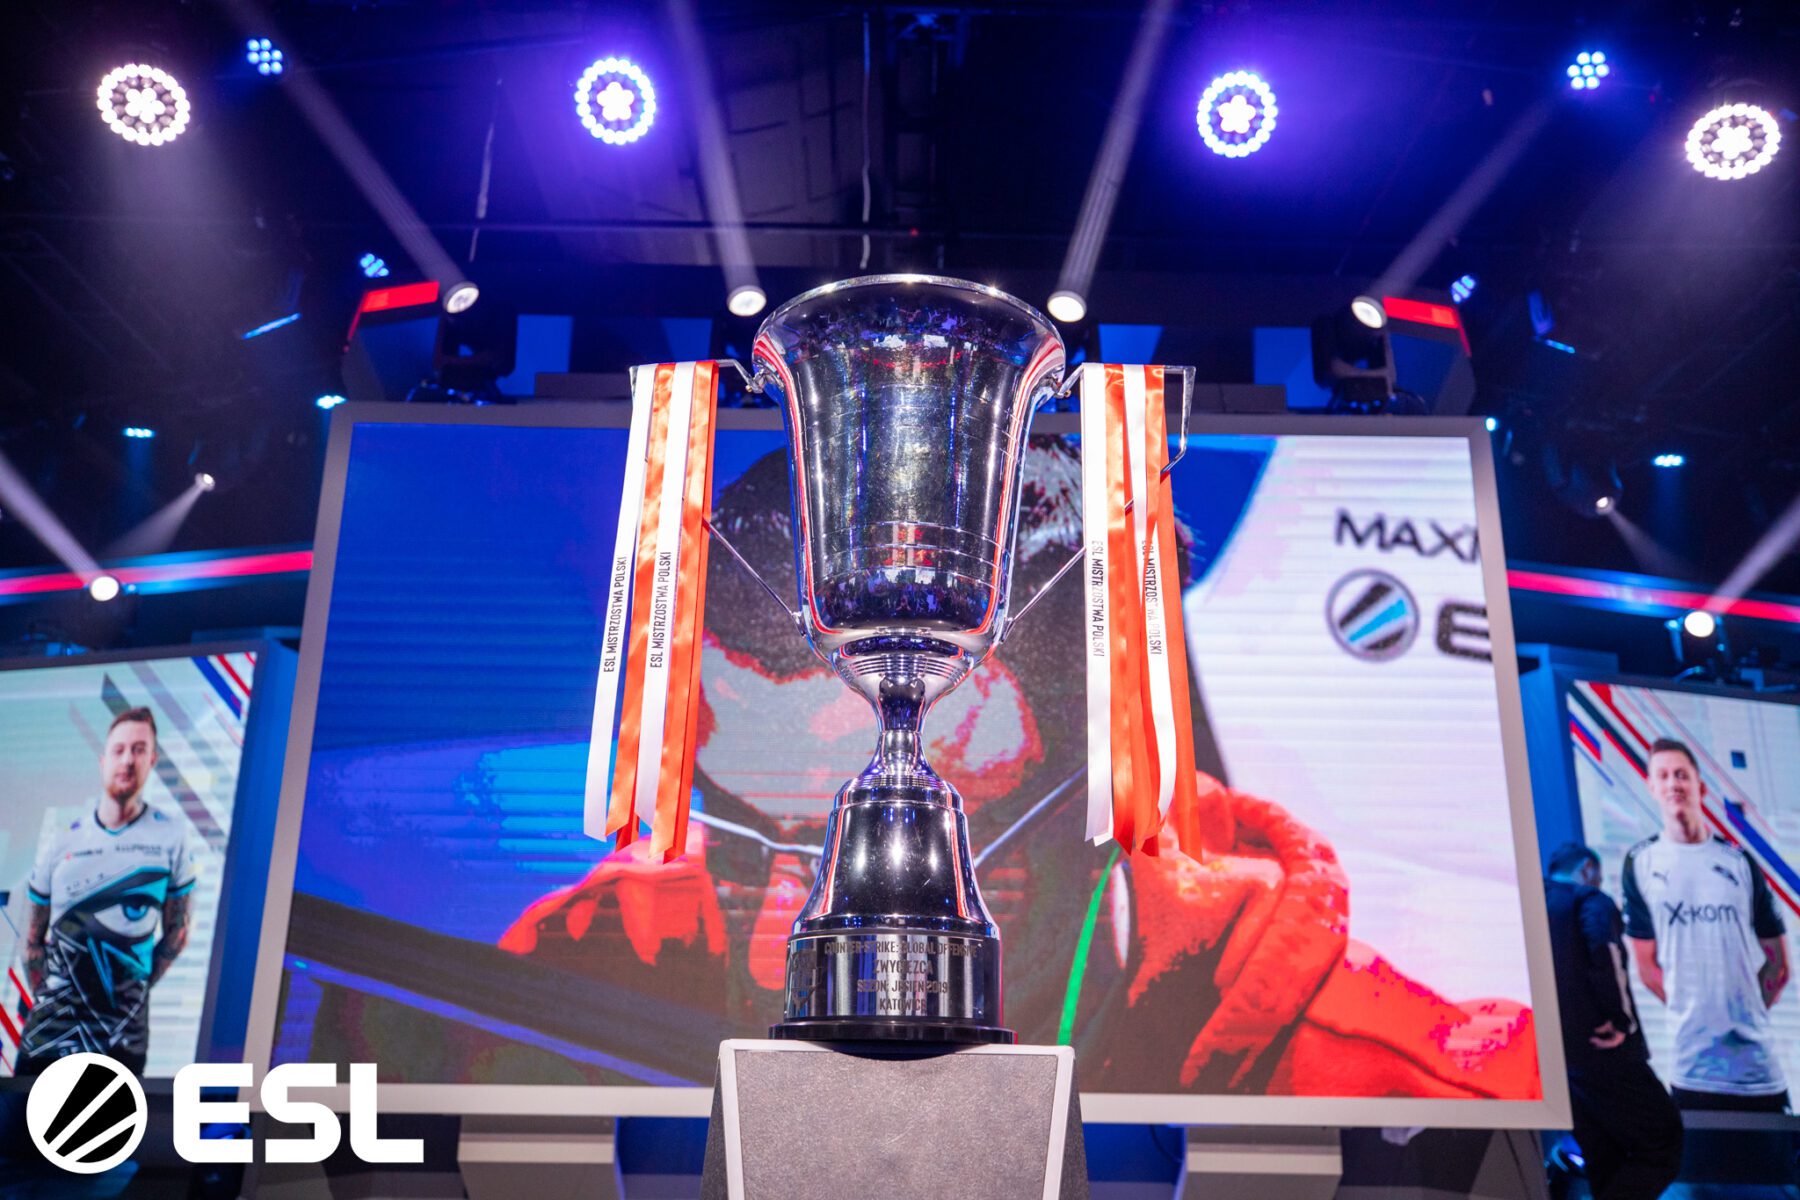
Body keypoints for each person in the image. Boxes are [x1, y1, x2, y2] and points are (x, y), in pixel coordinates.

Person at [497, 441, 1539, 1098]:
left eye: (922, 873)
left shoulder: (1414, 1085)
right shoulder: (555, 982)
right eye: (739, 847)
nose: (782, 953)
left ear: (1108, 828)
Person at [13, 707, 197, 1077]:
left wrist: (131, 989)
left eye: (139, 750)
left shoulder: (171, 836)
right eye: (119, 750)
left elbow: (177, 934)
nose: (127, 760)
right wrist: (53, 997)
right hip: (49, 1036)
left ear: (152, 760)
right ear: (103, 761)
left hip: (120, 1040)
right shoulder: (62, 841)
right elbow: (32, 941)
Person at [1623, 737, 1791, 1111]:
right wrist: (1697, 1014)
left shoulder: (1739, 862)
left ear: (1700, 787)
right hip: (1691, 1071)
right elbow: (1647, 968)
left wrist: (1743, 1010)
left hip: (1759, 1071)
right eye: (1663, 776)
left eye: (1681, 775)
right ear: (1651, 788)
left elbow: (1778, 966)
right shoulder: (1641, 863)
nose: (1673, 784)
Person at [1545, 841, 1681, 1199]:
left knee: (1606, 1156)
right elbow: (1605, 953)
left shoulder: (1533, 903)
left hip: (1558, 1064)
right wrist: (1620, 1021)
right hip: (1604, 1048)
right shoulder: (1588, 899)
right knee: (1664, 1142)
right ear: (1588, 869)